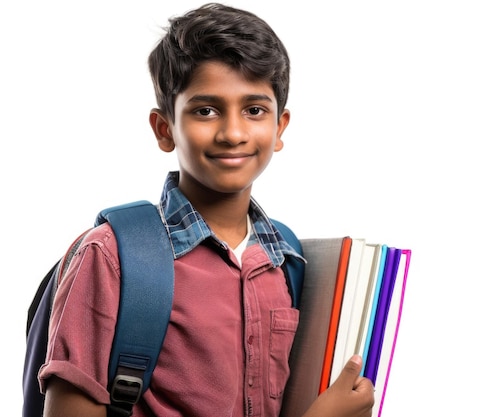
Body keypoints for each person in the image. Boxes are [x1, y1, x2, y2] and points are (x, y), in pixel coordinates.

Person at [38, 3, 374, 417]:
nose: (233, 133)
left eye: (254, 110)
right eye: (205, 110)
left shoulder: (287, 258)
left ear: (279, 127)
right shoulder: (111, 256)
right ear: (165, 129)